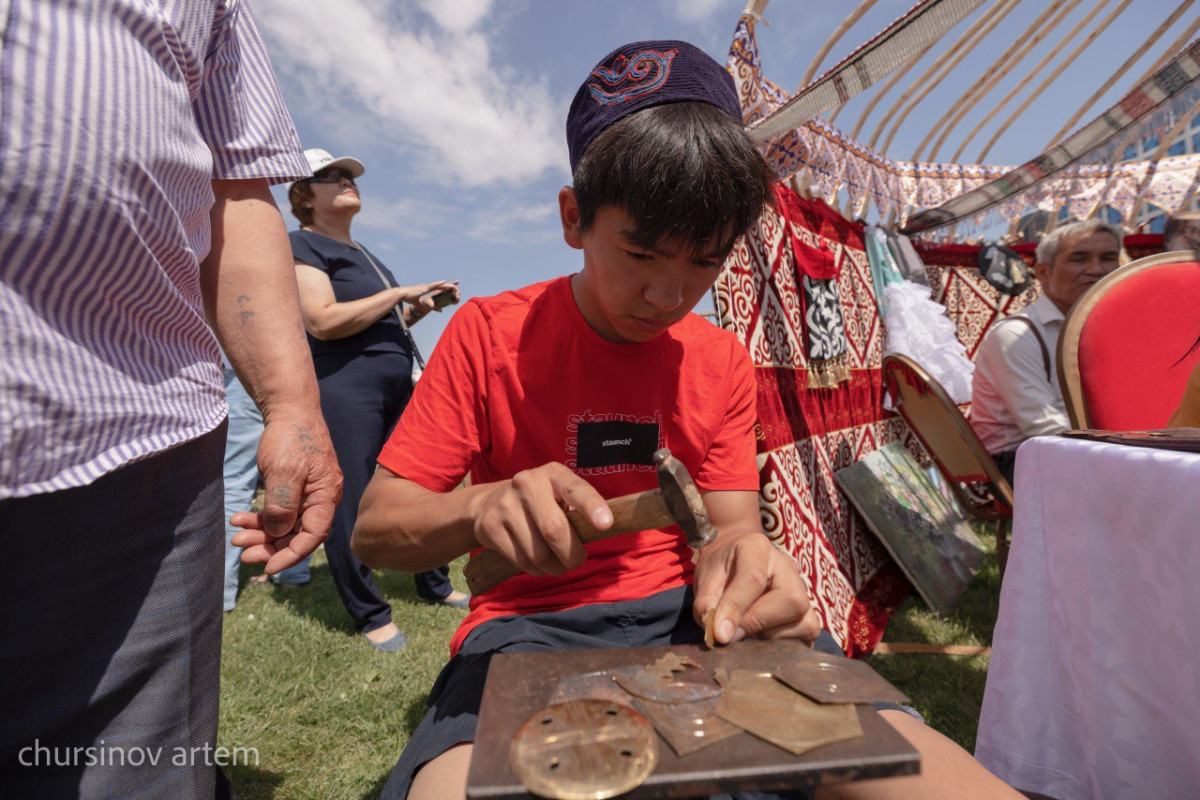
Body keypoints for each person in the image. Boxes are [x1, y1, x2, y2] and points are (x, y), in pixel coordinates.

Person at [344, 40, 1021, 800]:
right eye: (640, 253)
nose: (668, 296)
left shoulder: (721, 360)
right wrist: (479, 505)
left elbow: (728, 531)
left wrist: (747, 567)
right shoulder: (488, 333)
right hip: (529, 629)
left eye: (704, 263)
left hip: (697, 623)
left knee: (933, 779)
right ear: (575, 218)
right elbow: (376, 530)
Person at [0, 2, 341, 797]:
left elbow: (235, 181)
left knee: (140, 773)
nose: (342, 187)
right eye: (332, 177)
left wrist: (293, 406)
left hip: (140, 457)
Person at [284, 149, 468, 652]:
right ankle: (370, 612)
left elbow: (379, 325)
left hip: (393, 381)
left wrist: (416, 312)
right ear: (304, 194)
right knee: (355, 498)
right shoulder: (302, 244)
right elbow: (321, 320)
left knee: (417, 482)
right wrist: (399, 292)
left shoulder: (367, 254)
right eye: (332, 176)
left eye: (349, 175)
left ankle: (433, 581)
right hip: (346, 386)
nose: (348, 181)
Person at [971, 220, 1123, 486]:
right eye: (1079, 259)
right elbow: (1044, 429)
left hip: (1095, 450)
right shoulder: (1016, 335)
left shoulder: (1115, 328)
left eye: (1108, 258)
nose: (1097, 270)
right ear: (1042, 272)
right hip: (1022, 462)